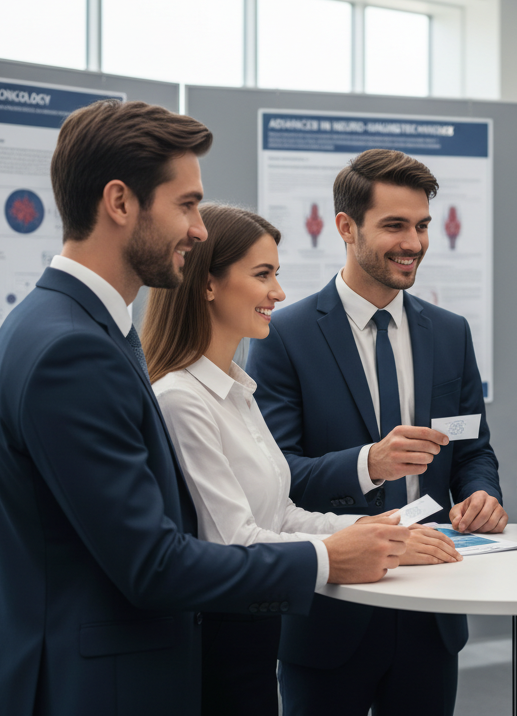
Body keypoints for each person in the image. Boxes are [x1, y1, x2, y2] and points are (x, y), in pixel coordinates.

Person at [0, 101, 409, 716]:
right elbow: (151, 563)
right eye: (186, 205)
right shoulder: (71, 349)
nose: (199, 228)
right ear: (120, 202)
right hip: (93, 689)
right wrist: (325, 557)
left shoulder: (78, 329)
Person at [142, 203, 460, 716]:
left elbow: (282, 513)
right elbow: (232, 540)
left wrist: (376, 532)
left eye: (278, 275)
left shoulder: (237, 392)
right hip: (223, 641)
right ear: (208, 284)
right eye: (262, 275)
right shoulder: (182, 398)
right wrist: (343, 552)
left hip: (257, 632)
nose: (279, 292)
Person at [247, 148, 505, 716]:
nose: (413, 242)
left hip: (431, 609)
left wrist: (483, 493)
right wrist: (369, 463)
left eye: (421, 226)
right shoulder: (284, 335)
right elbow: (276, 477)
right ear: (345, 226)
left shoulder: (449, 333)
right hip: (331, 613)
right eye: (394, 225)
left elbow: (471, 448)